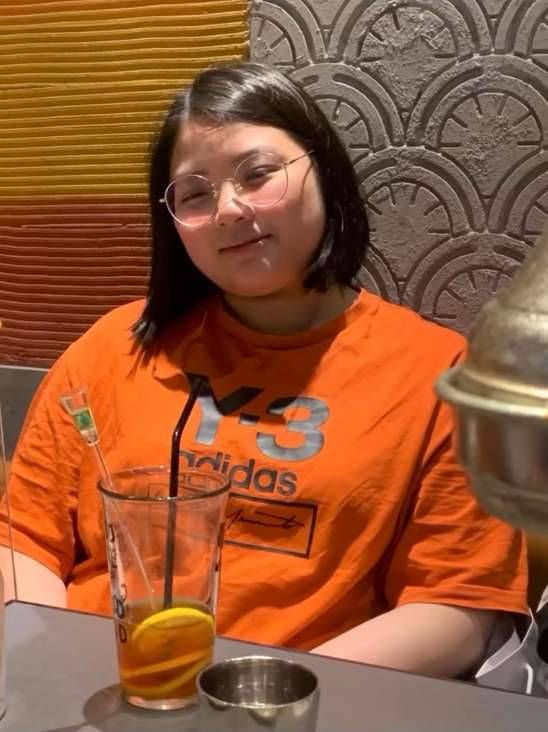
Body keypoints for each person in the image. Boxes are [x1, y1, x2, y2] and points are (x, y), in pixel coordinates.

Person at [0, 62, 527, 679]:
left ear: (324, 171)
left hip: (302, 700)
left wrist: (255, 696)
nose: (228, 209)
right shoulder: (112, 347)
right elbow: (24, 541)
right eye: (194, 194)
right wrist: (56, 666)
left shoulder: (440, 374)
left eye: (257, 174)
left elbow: (457, 608)